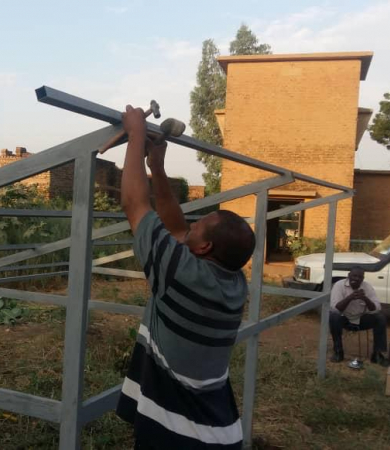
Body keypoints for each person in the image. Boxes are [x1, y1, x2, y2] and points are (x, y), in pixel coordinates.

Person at [114, 105, 256, 450]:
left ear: (205, 248)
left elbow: (135, 204)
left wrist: (135, 134)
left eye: (199, 225)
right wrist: (157, 167)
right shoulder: (234, 283)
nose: (189, 226)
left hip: (179, 435)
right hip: (219, 431)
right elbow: (176, 227)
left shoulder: (182, 274)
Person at [329, 267, 388, 364]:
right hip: (344, 319)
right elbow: (335, 308)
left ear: (363, 278)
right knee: (333, 316)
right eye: (354, 276)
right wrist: (350, 298)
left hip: (361, 319)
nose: (356, 279)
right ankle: (338, 351)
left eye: (360, 277)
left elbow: (376, 308)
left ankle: (377, 354)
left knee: (380, 318)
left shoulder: (367, 287)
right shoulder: (339, 285)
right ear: (349, 275)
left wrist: (365, 298)